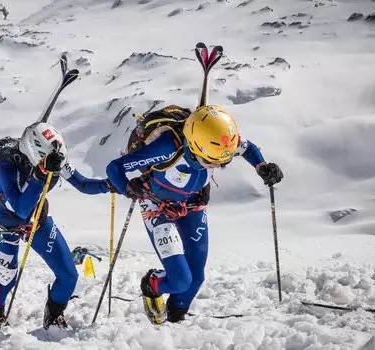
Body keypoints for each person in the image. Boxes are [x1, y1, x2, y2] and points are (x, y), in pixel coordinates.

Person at [105, 105, 283, 324]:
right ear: (196, 148)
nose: (217, 165)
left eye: (222, 163)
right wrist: (127, 188)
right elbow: (114, 168)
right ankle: (151, 285)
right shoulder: (165, 149)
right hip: (156, 206)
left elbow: (246, 148)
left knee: (197, 277)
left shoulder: (221, 142)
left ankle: (175, 320)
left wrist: (262, 166)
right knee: (180, 280)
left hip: (193, 203)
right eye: (212, 162)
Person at [0, 122, 111, 330]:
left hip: (36, 221)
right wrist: (39, 175)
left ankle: (53, 315)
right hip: (2, 226)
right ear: (35, 152)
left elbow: (82, 184)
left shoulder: (54, 158)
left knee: (69, 275)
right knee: (6, 279)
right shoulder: (5, 168)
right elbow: (21, 209)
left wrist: (111, 185)